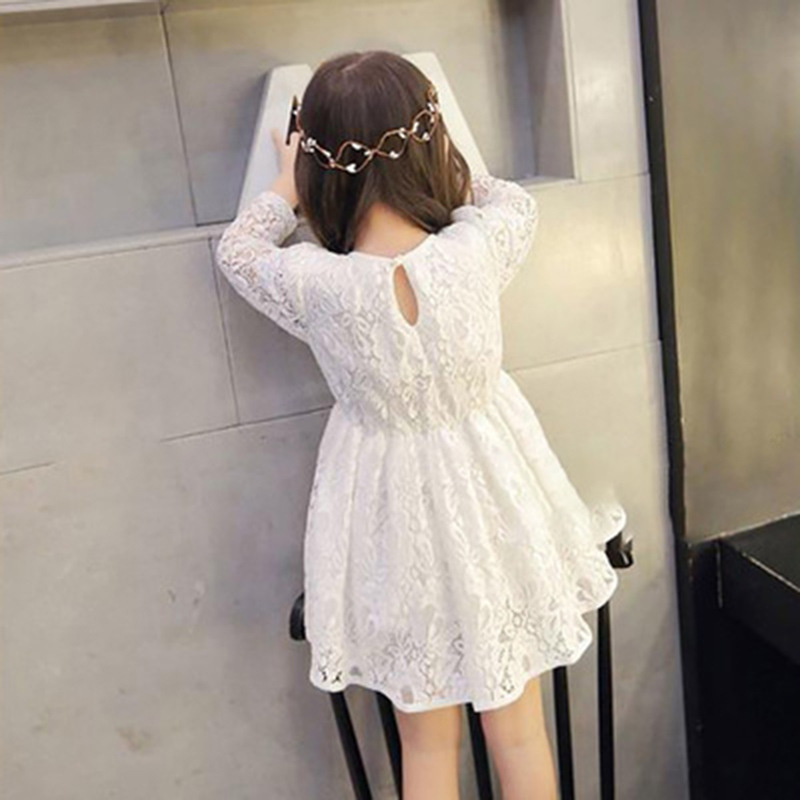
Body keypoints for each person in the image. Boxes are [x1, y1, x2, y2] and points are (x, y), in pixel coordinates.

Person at [215, 49, 626, 800]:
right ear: (430, 145)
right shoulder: (475, 248)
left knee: (425, 745)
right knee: (519, 729)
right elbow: (511, 201)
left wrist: (286, 187)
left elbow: (237, 252)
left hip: (388, 522)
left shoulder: (319, 283)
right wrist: (450, 160)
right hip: (495, 503)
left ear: (321, 167)